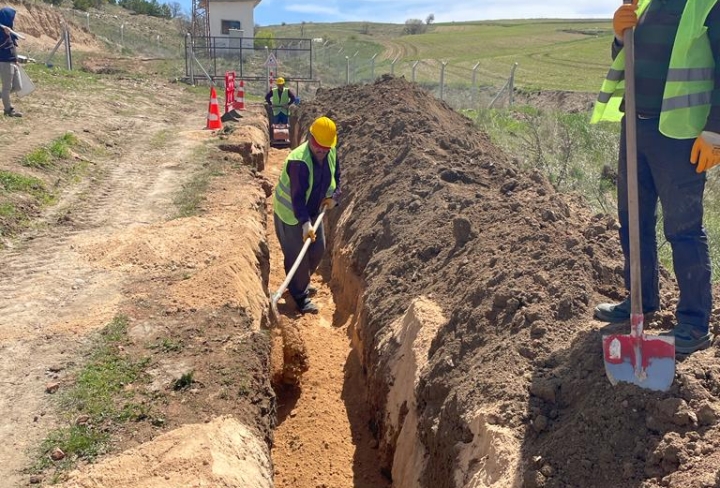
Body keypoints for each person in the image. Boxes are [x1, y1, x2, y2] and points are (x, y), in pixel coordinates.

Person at [591, 0, 720, 354]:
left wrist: (715, 132)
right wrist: (619, 37)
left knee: (684, 229)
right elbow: (628, 57)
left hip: (680, 137)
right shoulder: (643, 3)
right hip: (635, 127)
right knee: (632, 219)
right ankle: (641, 301)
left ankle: (694, 324)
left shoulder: (706, 5)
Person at [273, 116, 340, 314]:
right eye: (318, 146)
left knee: (318, 249)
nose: (322, 151)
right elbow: (297, 197)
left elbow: (337, 175)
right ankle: (299, 296)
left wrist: (334, 196)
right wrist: (304, 223)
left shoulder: (331, 151)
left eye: (325, 147)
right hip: (291, 214)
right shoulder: (299, 162)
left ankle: (299, 281)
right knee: (297, 257)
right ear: (310, 138)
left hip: (314, 210)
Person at [0, 6, 21, 117]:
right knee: (7, 88)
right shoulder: (2, 31)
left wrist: (16, 59)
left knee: (17, 86)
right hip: (4, 62)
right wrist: (5, 35)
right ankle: (8, 110)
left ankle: (3, 96)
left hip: (12, 61)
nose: (14, 19)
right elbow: (2, 45)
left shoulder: (8, 29)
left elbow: (12, 46)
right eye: (12, 17)